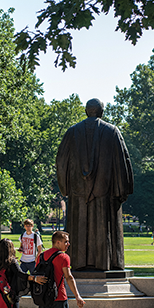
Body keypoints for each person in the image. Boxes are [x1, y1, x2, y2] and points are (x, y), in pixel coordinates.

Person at [56, 98, 134, 271]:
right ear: (102, 112)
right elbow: (123, 162)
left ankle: (77, 263)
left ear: (86, 111)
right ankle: (105, 263)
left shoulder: (72, 132)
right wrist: (121, 190)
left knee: (79, 226)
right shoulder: (112, 132)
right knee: (103, 226)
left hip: (78, 193)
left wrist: (65, 187)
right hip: (104, 192)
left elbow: (61, 161)